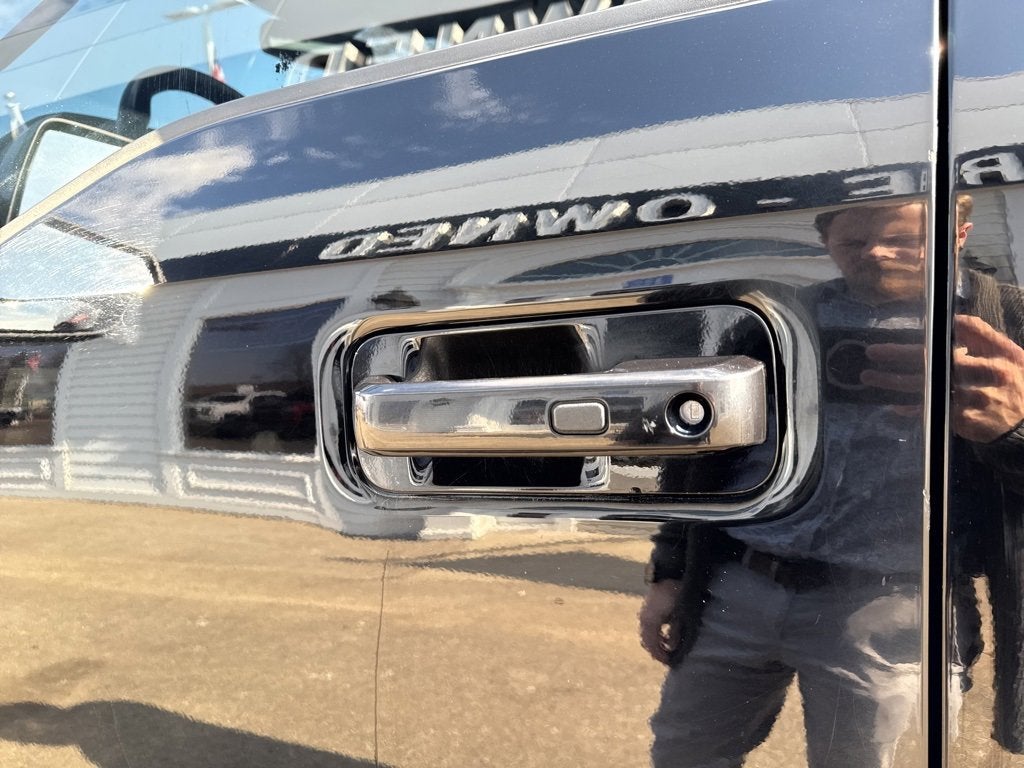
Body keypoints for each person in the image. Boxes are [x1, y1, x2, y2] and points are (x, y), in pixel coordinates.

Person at [639, 198, 1024, 767]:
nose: (877, 254)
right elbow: (701, 454)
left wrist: (1014, 430)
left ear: (959, 232)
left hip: (895, 609)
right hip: (738, 589)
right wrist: (670, 572)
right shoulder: (774, 320)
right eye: (853, 242)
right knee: (683, 754)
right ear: (826, 242)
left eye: (903, 240)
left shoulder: (1010, 320)